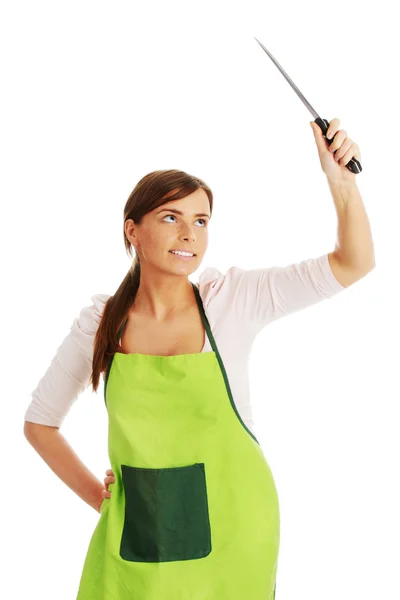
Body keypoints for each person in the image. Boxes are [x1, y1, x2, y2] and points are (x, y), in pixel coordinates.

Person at [24, 141, 374, 598]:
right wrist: (99, 497)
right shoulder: (101, 323)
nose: (189, 234)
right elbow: (40, 424)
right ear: (133, 230)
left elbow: (354, 262)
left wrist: (341, 183)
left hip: (236, 521)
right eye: (171, 218)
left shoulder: (234, 299)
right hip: (145, 525)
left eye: (201, 221)